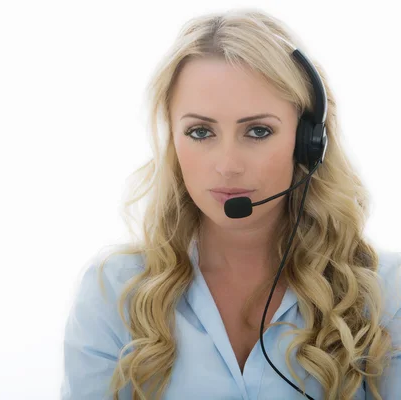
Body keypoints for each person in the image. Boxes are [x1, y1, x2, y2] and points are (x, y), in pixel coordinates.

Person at [60, 7, 401, 400]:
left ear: (309, 142)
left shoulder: (385, 294)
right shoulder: (113, 292)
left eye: (258, 131)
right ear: (173, 141)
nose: (227, 166)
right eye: (200, 131)